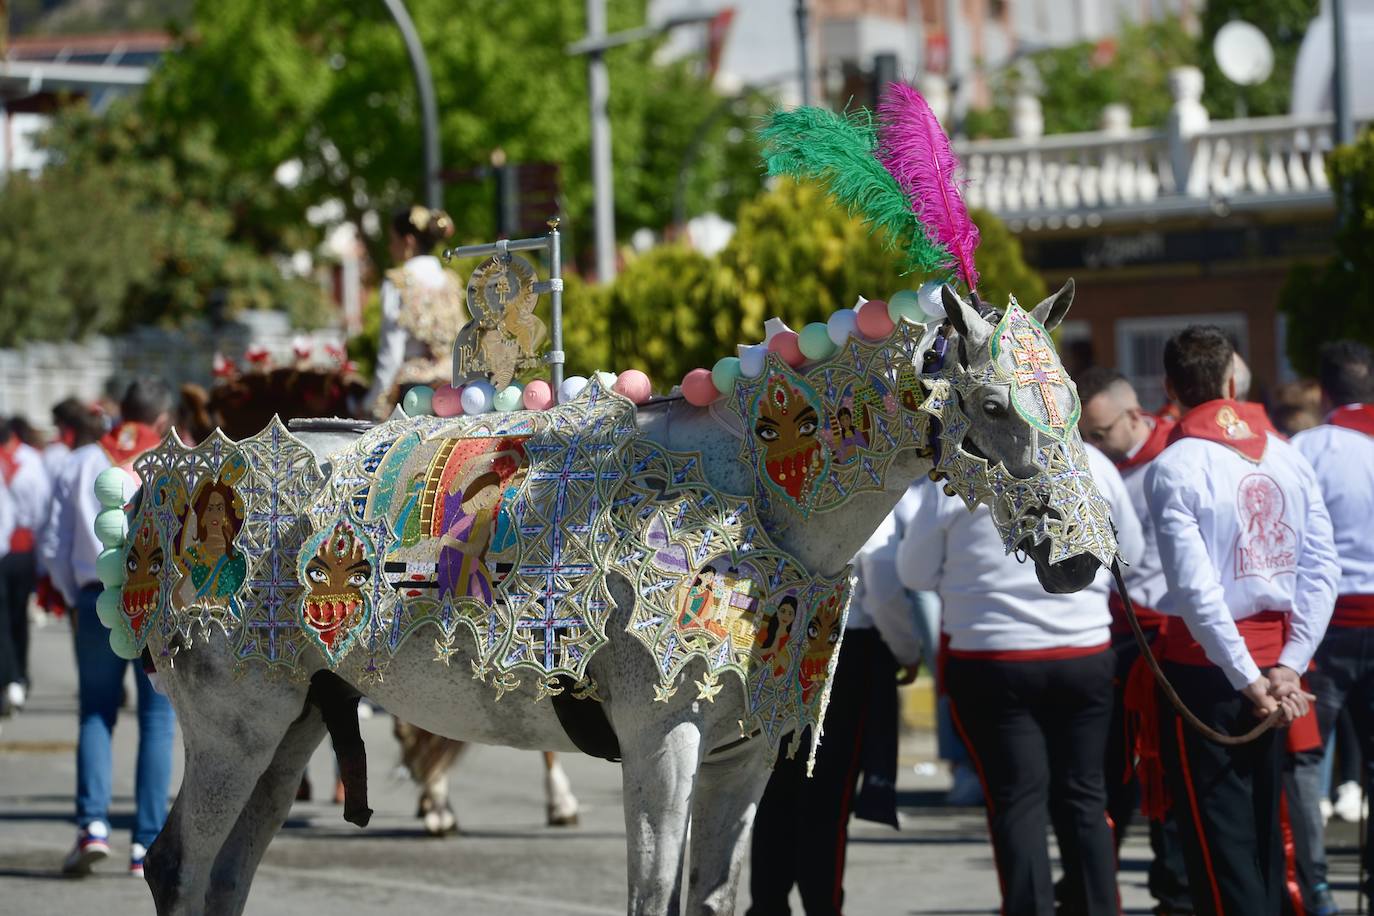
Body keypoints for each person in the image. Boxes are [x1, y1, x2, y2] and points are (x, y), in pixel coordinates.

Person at [1142, 325, 1339, 915]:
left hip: (1211, 671)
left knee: (1221, 847)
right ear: (1232, 382)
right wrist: (1288, 666)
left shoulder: (1175, 464)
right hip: (1272, 666)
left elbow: (1196, 590)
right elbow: (1321, 569)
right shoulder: (1286, 454)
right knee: (1261, 837)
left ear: (1170, 388)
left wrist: (1252, 676)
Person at [897, 445, 1141, 916]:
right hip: (1081, 650)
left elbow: (915, 572)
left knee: (1017, 800)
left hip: (992, 656)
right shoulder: (1093, 461)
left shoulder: (962, 471)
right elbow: (1131, 553)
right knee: (1085, 795)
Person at [747, 486, 927, 916]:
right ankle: (821, 906)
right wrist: (906, 649)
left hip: (778, 644)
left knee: (773, 785)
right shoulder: (862, 480)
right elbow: (880, 574)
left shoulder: (784, 481)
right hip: (840, 647)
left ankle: (768, 905)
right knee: (826, 794)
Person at [42, 378, 178, 877]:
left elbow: (53, 543)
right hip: (156, 602)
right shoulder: (173, 459)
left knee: (96, 713)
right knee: (157, 721)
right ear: (161, 419)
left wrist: (73, 593)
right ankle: (146, 842)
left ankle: (92, 827)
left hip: (93, 594)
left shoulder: (80, 460)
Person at [1077, 367, 1192, 914]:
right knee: (1108, 768)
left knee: (1166, 766)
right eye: (1087, 436)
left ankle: (1176, 887)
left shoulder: (1177, 456)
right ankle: (1091, 884)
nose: (1095, 446)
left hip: (1166, 634)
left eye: (1101, 434)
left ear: (1134, 415)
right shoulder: (1090, 465)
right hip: (1113, 633)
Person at [1293, 339, 1374, 910]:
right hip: (1336, 621)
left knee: (1305, 756)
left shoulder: (1307, 447)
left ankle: (1314, 884)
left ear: (1323, 393)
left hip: (1325, 624)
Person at [363, 205, 465, 418]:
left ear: (408, 241)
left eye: (393, 240)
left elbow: (391, 353)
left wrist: (371, 402)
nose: (390, 247)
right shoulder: (450, 280)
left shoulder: (398, 282)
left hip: (414, 395)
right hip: (454, 390)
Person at [0, 418, 52, 715]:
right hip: (15, 548)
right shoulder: (29, 459)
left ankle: (17, 675)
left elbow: (41, 508)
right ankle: (13, 678)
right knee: (9, 617)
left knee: (17, 615)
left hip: (21, 548)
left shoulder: (30, 460)